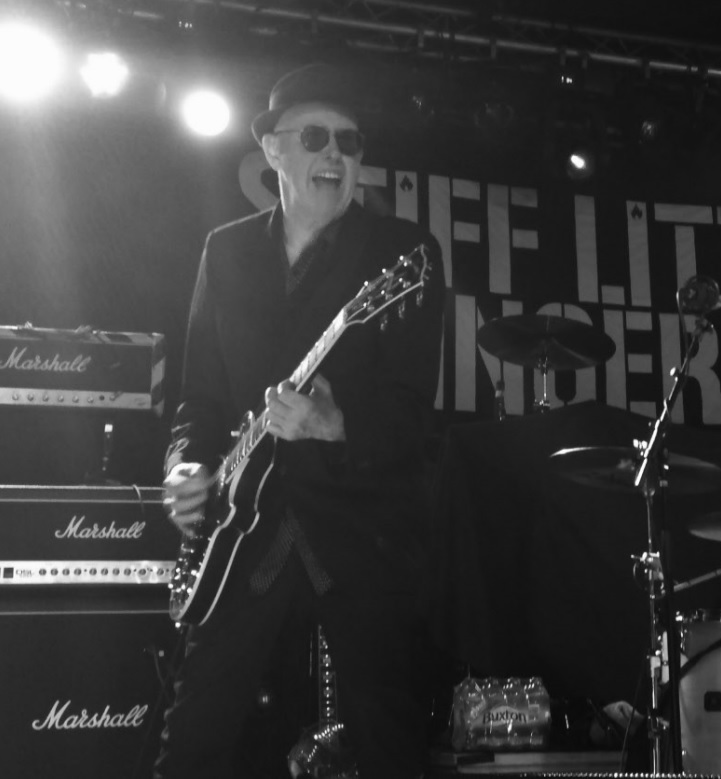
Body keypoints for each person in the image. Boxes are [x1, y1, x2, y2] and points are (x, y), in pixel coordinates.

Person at [156, 63, 444, 779]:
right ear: (273, 150)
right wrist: (186, 464)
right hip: (240, 530)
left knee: (388, 736)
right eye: (315, 137)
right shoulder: (225, 251)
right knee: (193, 736)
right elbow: (200, 397)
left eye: (350, 141)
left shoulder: (401, 254)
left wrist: (335, 423)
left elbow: (414, 412)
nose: (335, 154)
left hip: (359, 525)